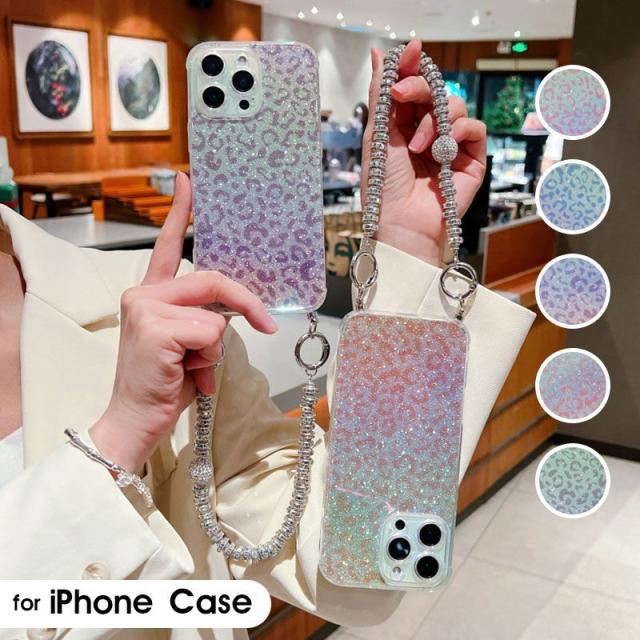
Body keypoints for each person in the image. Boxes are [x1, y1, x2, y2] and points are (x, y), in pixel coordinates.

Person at [0, 41, 534, 639]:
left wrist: (405, 251)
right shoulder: (156, 315)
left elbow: (355, 570)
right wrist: (115, 442)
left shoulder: (152, 306)